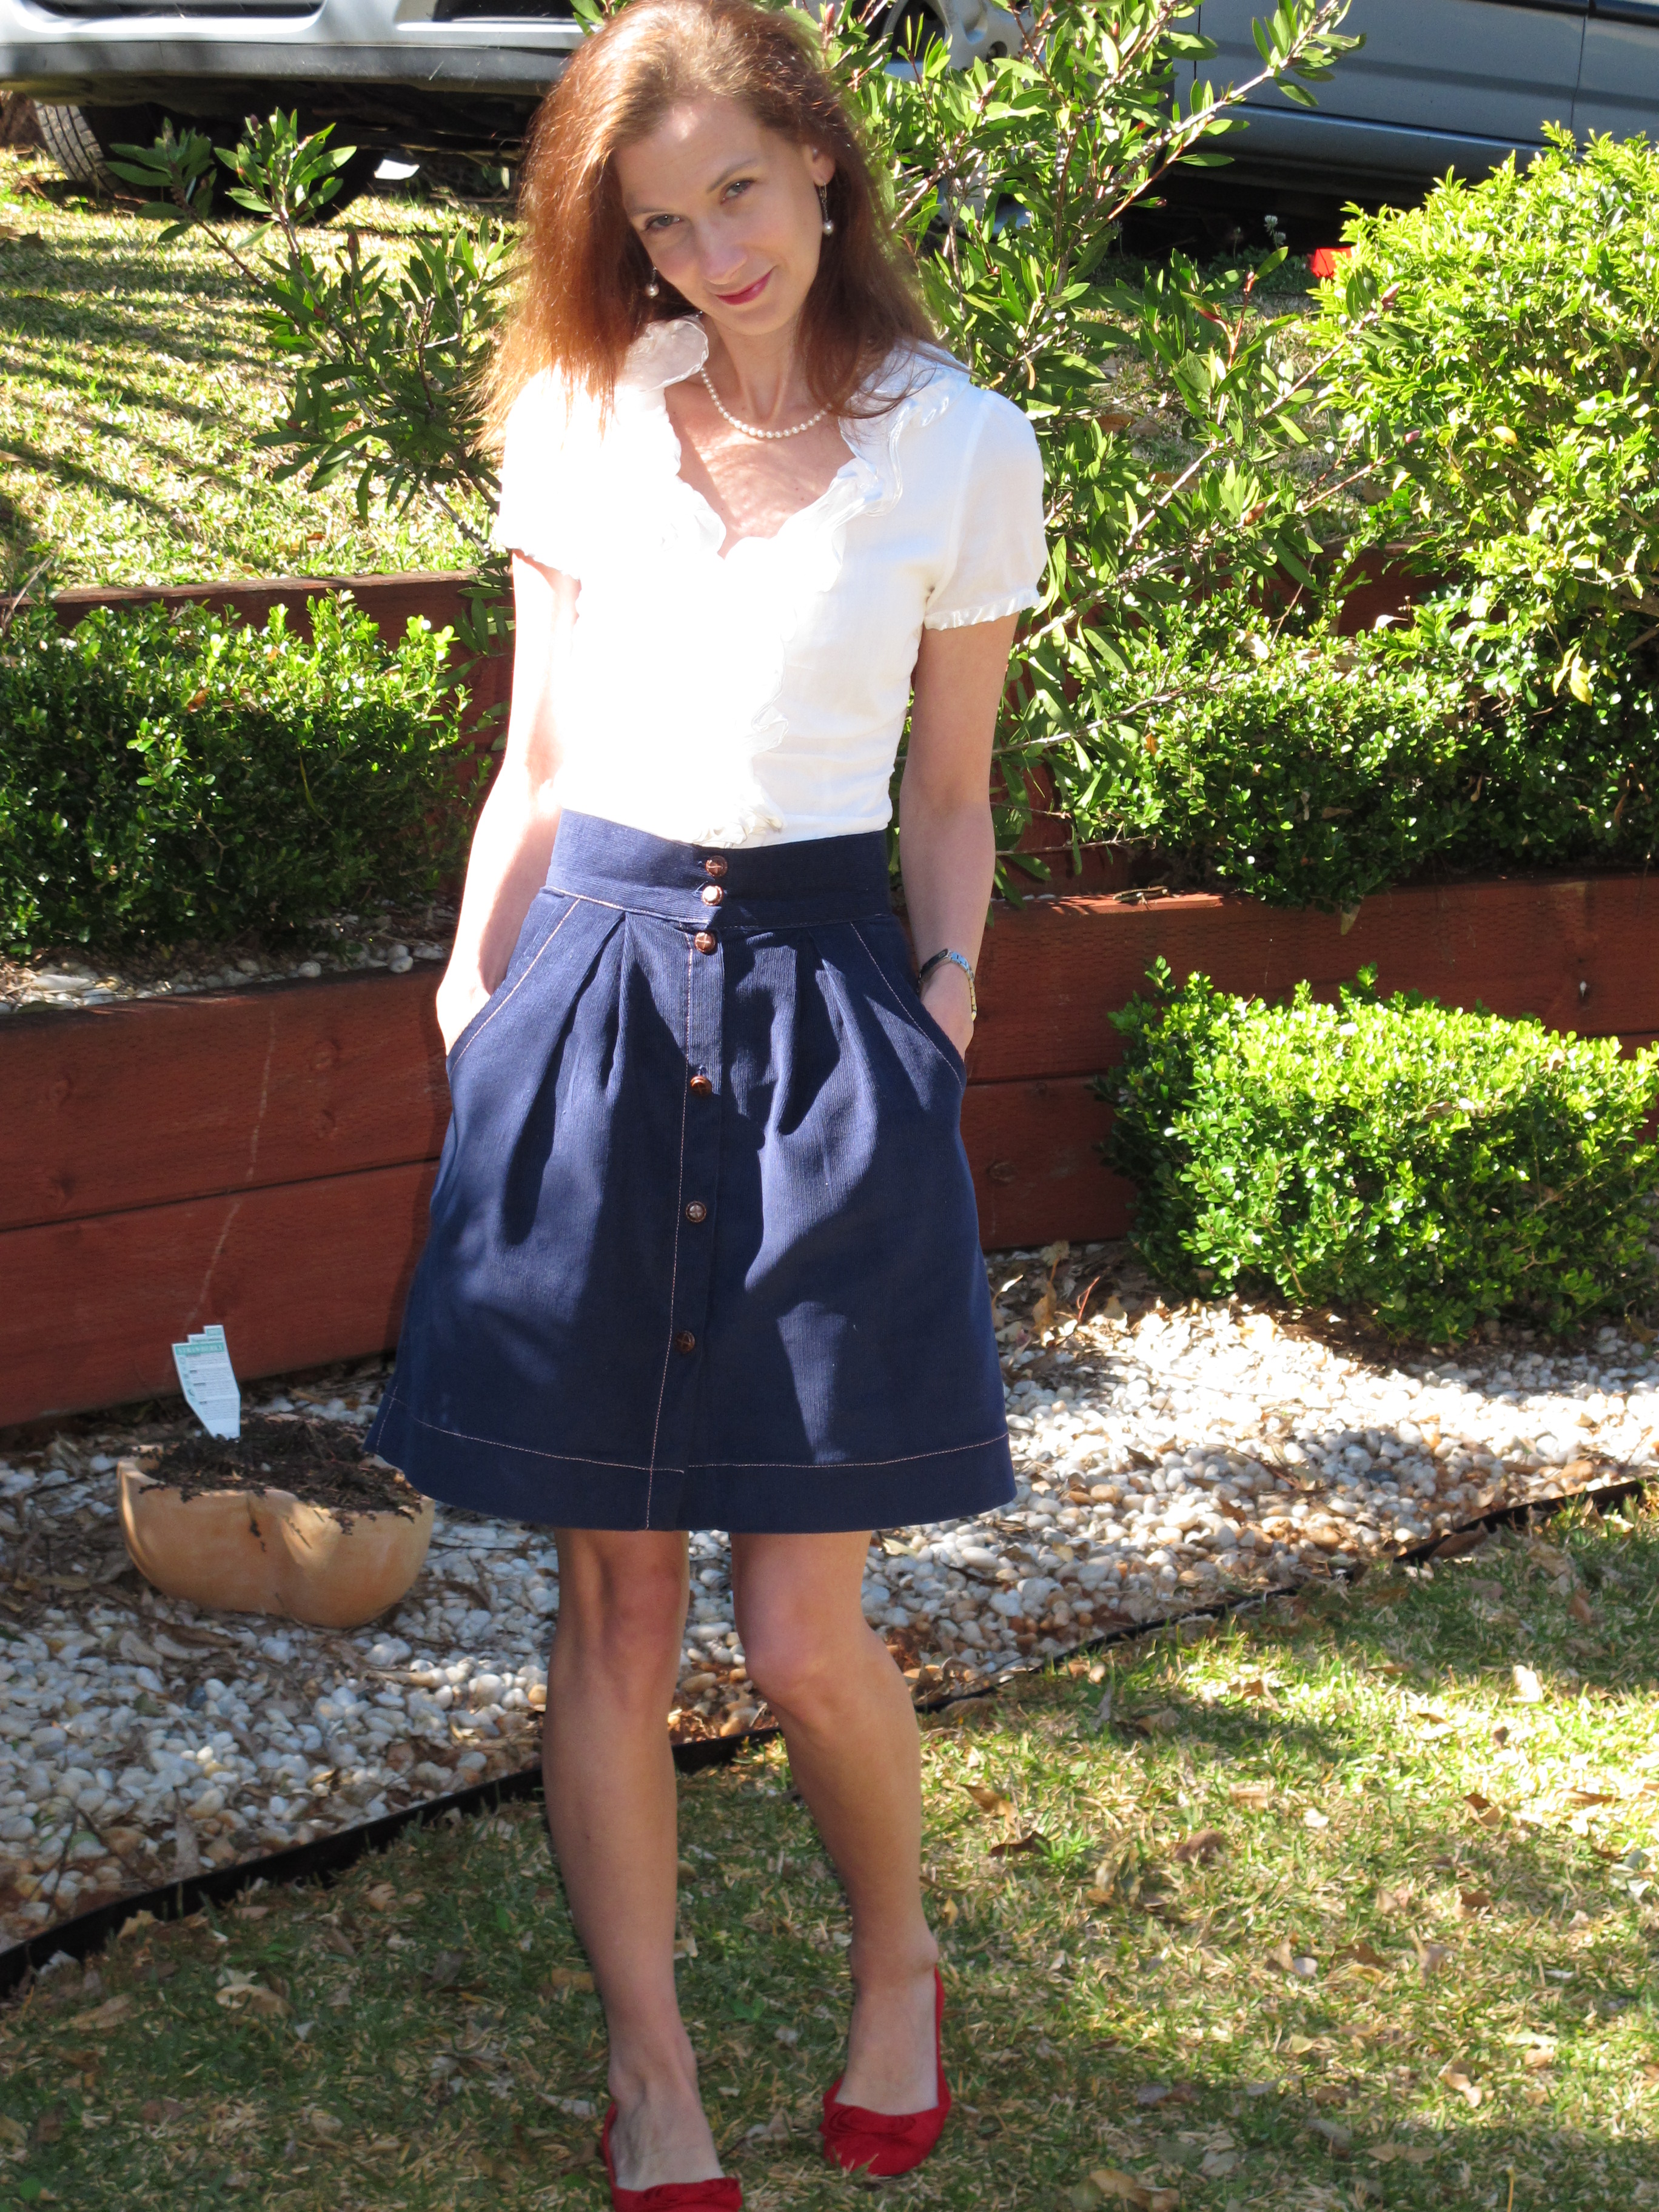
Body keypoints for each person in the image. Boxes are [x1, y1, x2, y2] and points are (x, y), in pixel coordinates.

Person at [364, 1, 1045, 2200]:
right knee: (618, 1610)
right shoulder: (576, 418)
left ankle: (897, 1960)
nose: (711, 252)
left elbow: (953, 793)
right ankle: (651, 2073)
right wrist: (475, 1006)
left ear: (823, 163)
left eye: (738, 191)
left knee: (803, 1626)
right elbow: (538, 761)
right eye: (661, 224)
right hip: (586, 985)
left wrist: (940, 1008)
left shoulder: (961, 444)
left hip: (832, 996)